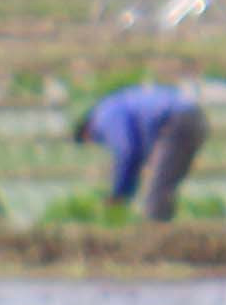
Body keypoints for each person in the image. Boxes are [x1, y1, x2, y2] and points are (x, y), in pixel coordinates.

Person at [79, 73, 209, 222]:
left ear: (86, 130)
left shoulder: (104, 116)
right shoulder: (116, 105)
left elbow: (127, 151)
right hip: (196, 118)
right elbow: (136, 154)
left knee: (156, 191)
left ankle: (155, 236)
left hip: (175, 121)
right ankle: (165, 233)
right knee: (164, 187)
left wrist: (119, 193)